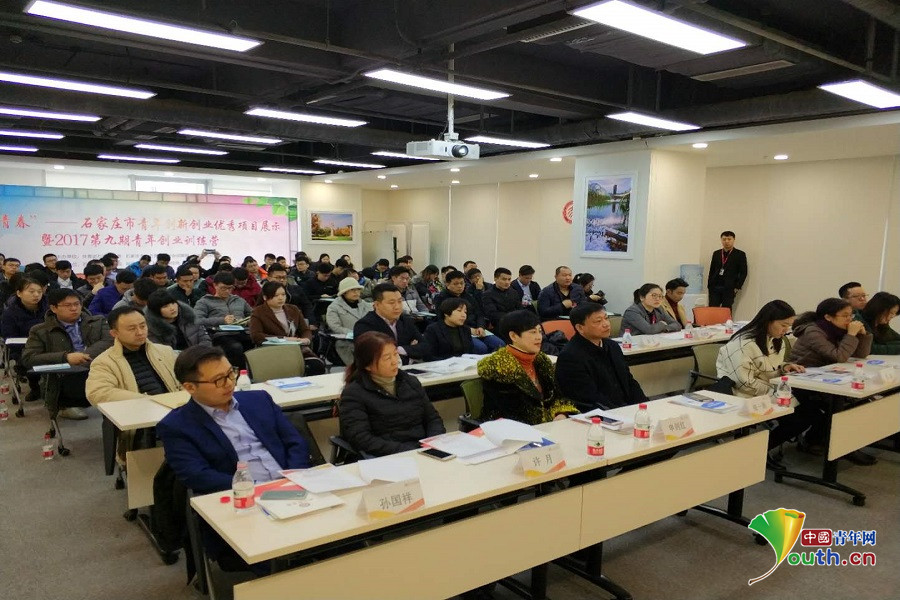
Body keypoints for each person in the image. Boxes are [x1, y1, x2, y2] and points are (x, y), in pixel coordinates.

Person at [157, 345, 311, 573]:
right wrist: (255, 489)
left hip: (292, 488)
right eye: (219, 380)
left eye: (231, 373)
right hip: (242, 502)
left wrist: (294, 477)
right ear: (190, 387)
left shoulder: (258, 399)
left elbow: (295, 442)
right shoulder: (177, 426)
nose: (230, 383)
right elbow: (196, 475)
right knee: (284, 559)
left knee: (346, 536)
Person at [715, 300, 810, 469]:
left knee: (809, 410)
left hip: (767, 390)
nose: (786, 330)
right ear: (768, 321)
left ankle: (760, 449)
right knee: (799, 417)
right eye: (783, 325)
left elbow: (770, 368)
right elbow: (744, 382)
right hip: (742, 394)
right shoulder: (742, 343)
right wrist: (777, 392)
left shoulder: (776, 339)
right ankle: (757, 451)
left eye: (789, 326)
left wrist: (784, 367)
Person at [789, 298, 875, 465]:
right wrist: (851, 335)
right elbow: (839, 356)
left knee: (857, 403)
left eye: (851, 315)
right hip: (801, 380)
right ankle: (835, 446)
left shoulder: (838, 330)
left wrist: (863, 335)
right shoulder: (814, 331)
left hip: (824, 378)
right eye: (845, 316)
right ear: (828, 317)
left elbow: (861, 355)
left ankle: (835, 444)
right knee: (837, 406)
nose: (850, 319)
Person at [339, 331, 444, 456]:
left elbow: (433, 419)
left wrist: (433, 442)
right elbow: (362, 438)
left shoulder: (410, 382)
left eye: (395, 354)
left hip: (423, 449)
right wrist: (408, 451)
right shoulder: (354, 394)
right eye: (387, 358)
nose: (395, 361)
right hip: (388, 455)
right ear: (368, 365)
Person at [21, 288, 113, 420]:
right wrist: (65, 357)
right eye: (68, 305)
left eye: (77, 304)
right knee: (73, 375)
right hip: (65, 373)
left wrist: (83, 356)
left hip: (96, 366)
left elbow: (109, 341)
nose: (74, 308)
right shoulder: (40, 330)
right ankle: (66, 406)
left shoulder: (98, 321)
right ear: (54, 308)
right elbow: (29, 358)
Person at [477, 310, 577, 425]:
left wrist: (561, 414)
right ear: (513, 336)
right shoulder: (498, 367)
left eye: (540, 331)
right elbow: (512, 413)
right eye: (533, 332)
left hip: (547, 426)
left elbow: (558, 396)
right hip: (509, 429)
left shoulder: (541, 360)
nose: (539, 337)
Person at [555, 303, 647, 412]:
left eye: (606, 318)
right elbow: (587, 398)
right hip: (599, 414)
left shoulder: (612, 346)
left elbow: (629, 381)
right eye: (598, 321)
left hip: (624, 409)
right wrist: (621, 413)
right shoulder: (570, 356)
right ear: (580, 328)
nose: (606, 324)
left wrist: (645, 405)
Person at [85, 306, 180, 405]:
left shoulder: (165, 351)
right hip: (138, 410)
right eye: (132, 329)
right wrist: (148, 400)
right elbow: (98, 393)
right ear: (114, 333)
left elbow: (185, 381)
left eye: (143, 326)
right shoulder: (104, 362)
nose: (140, 332)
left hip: (174, 408)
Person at [249, 281, 325, 375]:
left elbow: (305, 330)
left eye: (283, 294)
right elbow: (256, 336)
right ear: (265, 297)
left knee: (316, 366)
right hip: (272, 351)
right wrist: (284, 339)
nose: (281, 298)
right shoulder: (258, 312)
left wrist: (306, 339)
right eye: (276, 295)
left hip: (296, 349)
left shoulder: (293, 309)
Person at [353, 283, 428, 364]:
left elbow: (425, 347)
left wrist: (400, 349)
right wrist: (409, 350)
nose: (397, 307)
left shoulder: (405, 320)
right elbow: (373, 356)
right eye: (391, 303)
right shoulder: (365, 325)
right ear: (377, 305)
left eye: (400, 301)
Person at [0, 277, 48, 402]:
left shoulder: (50, 308)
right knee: (31, 360)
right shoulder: (10, 313)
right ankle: (35, 387)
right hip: (24, 349)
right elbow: (10, 338)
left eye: (39, 291)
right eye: (31, 291)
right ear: (19, 293)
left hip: (50, 345)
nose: (36, 295)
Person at [433, 271, 503, 353]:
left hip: (477, 329)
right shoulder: (441, 298)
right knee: (481, 348)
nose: (460, 286)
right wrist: (468, 329)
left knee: (500, 344)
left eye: (462, 283)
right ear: (447, 284)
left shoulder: (468, 296)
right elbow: (443, 319)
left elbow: (479, 314)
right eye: (456, 284)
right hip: (458, 331)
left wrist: (481, 327)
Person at [195, 271, 254, 369]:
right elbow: (197, 320)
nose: (227, 291)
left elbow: (253, 315)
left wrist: (248, 321)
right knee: (235, 347)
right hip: (219, 335)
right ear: (215, 285)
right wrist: (222, 320)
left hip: (242, 332)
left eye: (230, 288)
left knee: (256, 344)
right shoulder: (204, 302)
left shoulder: (238, 300)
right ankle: (238, 374)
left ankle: (253, 373)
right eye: (223, 288)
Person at [325, 277, 372, 365]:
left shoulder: (367, 305)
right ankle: (355, 369)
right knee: (343, 345)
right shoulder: (334, 307)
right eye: (352, 290)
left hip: (368, 337)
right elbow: (335, 326)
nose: (356, 292)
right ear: (344, 292)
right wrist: (354, 333)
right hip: (347, 339)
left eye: (358, 290)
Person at [145, 289, 211, 350]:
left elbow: (204, 338)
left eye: (173, 303)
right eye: (165, 306)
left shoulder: (189, 317)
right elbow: (161, 352)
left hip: (200, 354)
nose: (172, 308)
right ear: (156, 311)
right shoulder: (153, 330)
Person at [423, 298, 488, 360]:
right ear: (446, 313)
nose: (463, 315)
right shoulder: (433, 329)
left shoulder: (465, 329)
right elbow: (429, 356)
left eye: (465, 312)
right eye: (459, 311)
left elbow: (468, 352)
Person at [707, 231, 748, 309]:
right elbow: (712, 270)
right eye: (724, 239)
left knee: (726, 309)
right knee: (713, 309)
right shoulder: (716, 253)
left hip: (730, 287)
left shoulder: (740, 254)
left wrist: (737, 287)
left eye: (729, 239)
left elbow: (744, 272)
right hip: (715, 286)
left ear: (734, 240)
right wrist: (709, 285)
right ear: (721, 240)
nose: (726, 241)